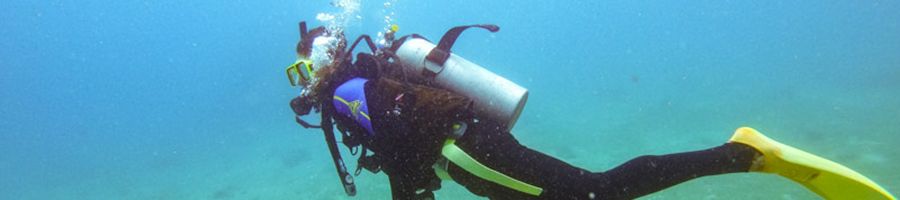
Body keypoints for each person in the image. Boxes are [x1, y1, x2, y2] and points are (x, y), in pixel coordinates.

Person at [285, 21, 895, 200]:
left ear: (320, 61)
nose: (304, 80)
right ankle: (743, 151)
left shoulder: (343, 90)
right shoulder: (360, 80)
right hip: (464, 153)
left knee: (596, 194)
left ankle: (745, 153)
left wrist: (408, 182)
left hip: (464, 152)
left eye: (303, 67)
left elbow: (396, 142)